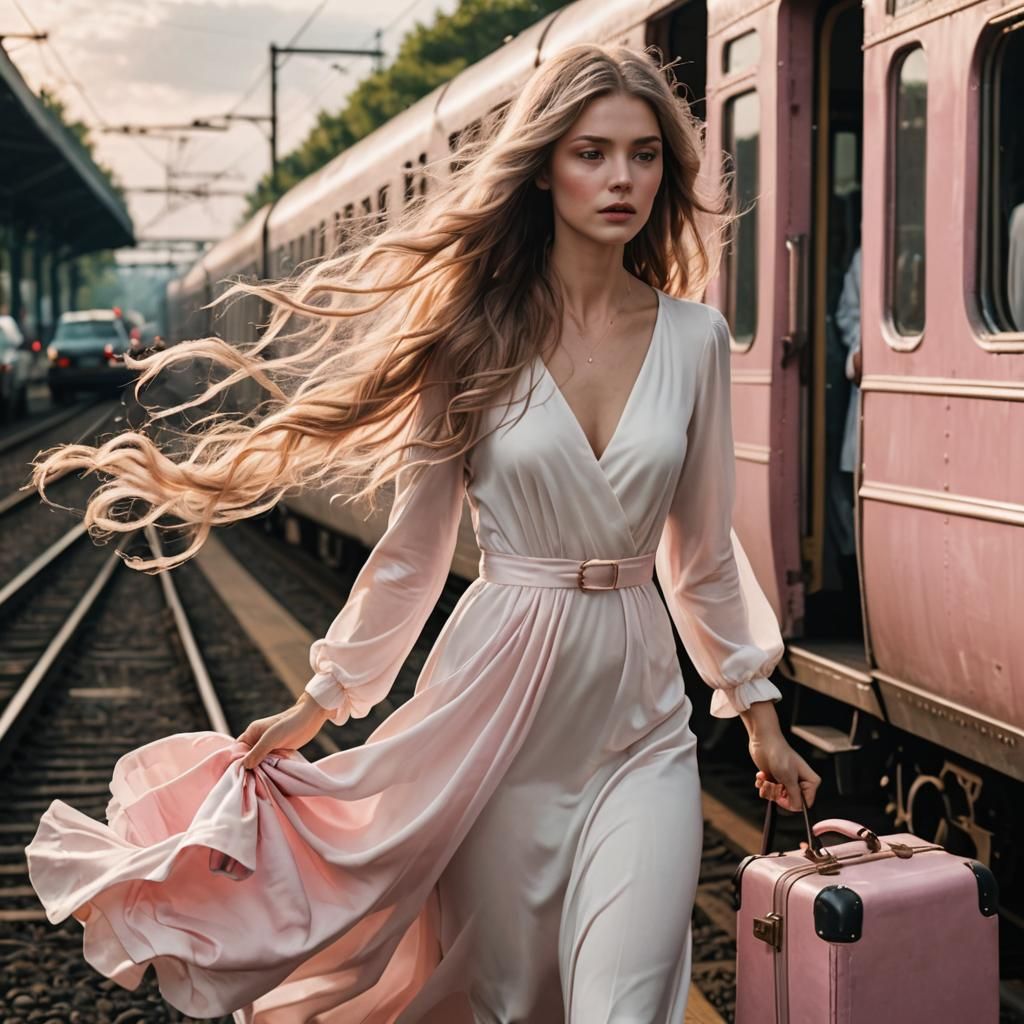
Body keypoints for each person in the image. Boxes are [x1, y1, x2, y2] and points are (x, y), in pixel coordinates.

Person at [25, 43, 821, 1024]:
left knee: (623, 1005)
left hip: (640, 723)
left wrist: (757, 711)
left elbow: (699, 554)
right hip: (491, 717)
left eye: (645, 155)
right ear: (541, 165)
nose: (623, 179)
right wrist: (322, 703)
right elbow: (412, 550)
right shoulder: (469, 335)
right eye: (592, 152)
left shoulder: (694, 339)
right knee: (506, 1001)